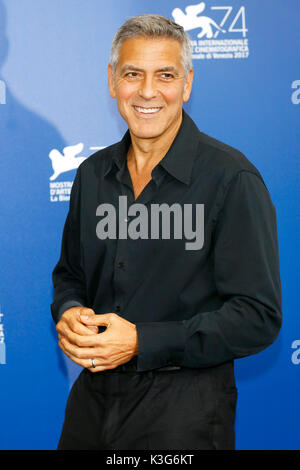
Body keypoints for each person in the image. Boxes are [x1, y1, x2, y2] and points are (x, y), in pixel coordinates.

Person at [51, 14, 282, 450]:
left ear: (187, 83)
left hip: (185, 416)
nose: (148, 91)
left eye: (166, 75)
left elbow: (258, 317)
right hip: (90, 408)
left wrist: (142, 341)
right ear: (112, 80)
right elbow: (70, 276)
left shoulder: (231, 179)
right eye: (133, 74)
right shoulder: (91, 175)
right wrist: (69, 311)